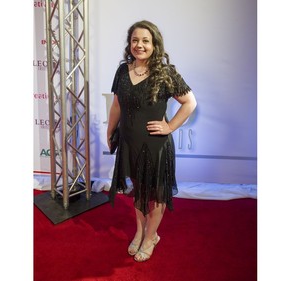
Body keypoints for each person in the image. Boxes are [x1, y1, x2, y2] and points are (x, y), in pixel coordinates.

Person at [107, 20, 197, 262]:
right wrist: (110, 131)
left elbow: (190, 103)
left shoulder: (166, 73)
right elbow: (116, 105)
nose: (140, 45)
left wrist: (169, 126)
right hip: (129, 144)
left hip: (156, 147)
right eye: (135, 40)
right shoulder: (122, 71)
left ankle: (151, 237)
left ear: (155, 44)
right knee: (138, 191)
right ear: (129, 44)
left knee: (155, 195)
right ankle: (140, 231)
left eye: (146, 41)